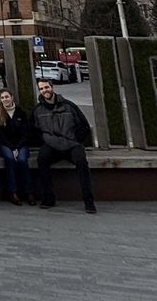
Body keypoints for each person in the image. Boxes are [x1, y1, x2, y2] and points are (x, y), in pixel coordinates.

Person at [31, 77, 97, 213]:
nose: (45, 90)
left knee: (81, 162)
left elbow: (84, 126)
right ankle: (48, 198)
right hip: (51, 146)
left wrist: (76, 140)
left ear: (52, 87)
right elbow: (33, 130)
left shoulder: (69, 106)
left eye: (46, 87)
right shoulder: (38, 110)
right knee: (42, 159)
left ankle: (89, 201)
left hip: (71, 144)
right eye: (42, 89)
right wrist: (44, 140)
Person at [0, 88, 34, 206]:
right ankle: (13, 192)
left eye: (7, 97)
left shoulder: (21, 112)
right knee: (10, 159)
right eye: (3, 98)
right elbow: (1, 134)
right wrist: (12, 148)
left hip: (21, 144)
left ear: (12, 97)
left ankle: (29, 192)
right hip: (6, 145)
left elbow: (26, 133)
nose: (5, 99)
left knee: (22, 160)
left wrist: (18, 147)